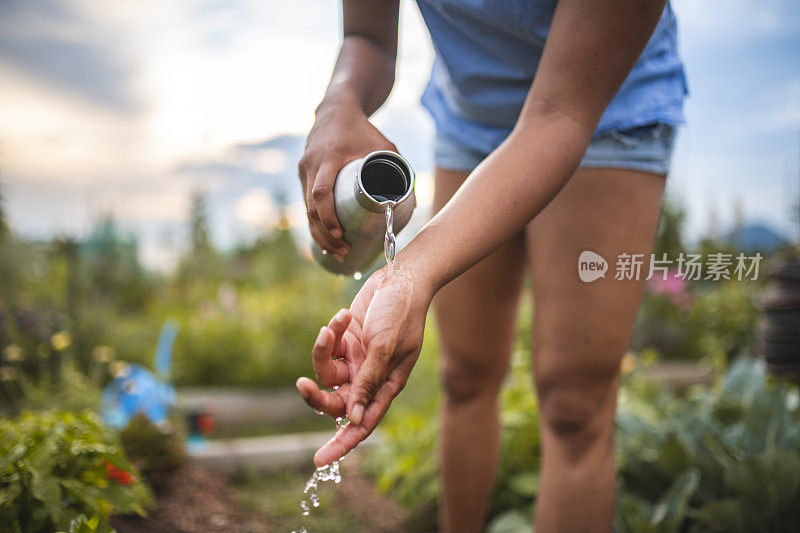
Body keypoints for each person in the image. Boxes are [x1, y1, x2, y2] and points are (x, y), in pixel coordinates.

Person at [295, 0, 687, 531]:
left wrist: (413, 273)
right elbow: (368, 35)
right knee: (464, 375)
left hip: (603, 110)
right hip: (472, 119)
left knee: (575, 406)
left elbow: (560, 113)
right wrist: (336, 103)